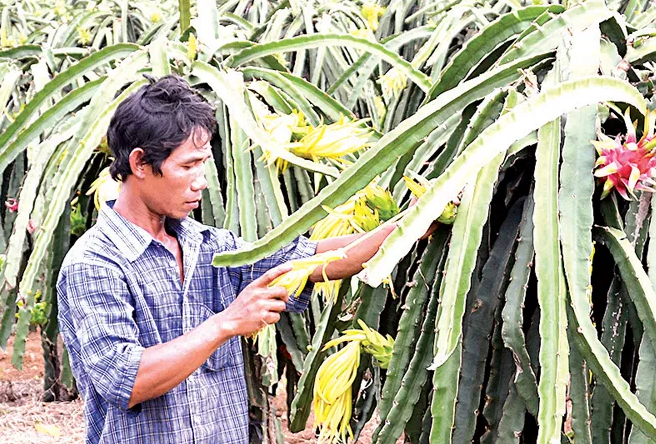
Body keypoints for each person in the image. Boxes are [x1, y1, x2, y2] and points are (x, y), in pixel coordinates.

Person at [57, 75, 435, 443]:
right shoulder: (94, 264)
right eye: (187, 166)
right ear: (140, 164)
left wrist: (414, 221)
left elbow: (314, 259)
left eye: (203, 163)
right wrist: (227, 323)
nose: (200, 180)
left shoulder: (207, 247)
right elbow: (124, 380)